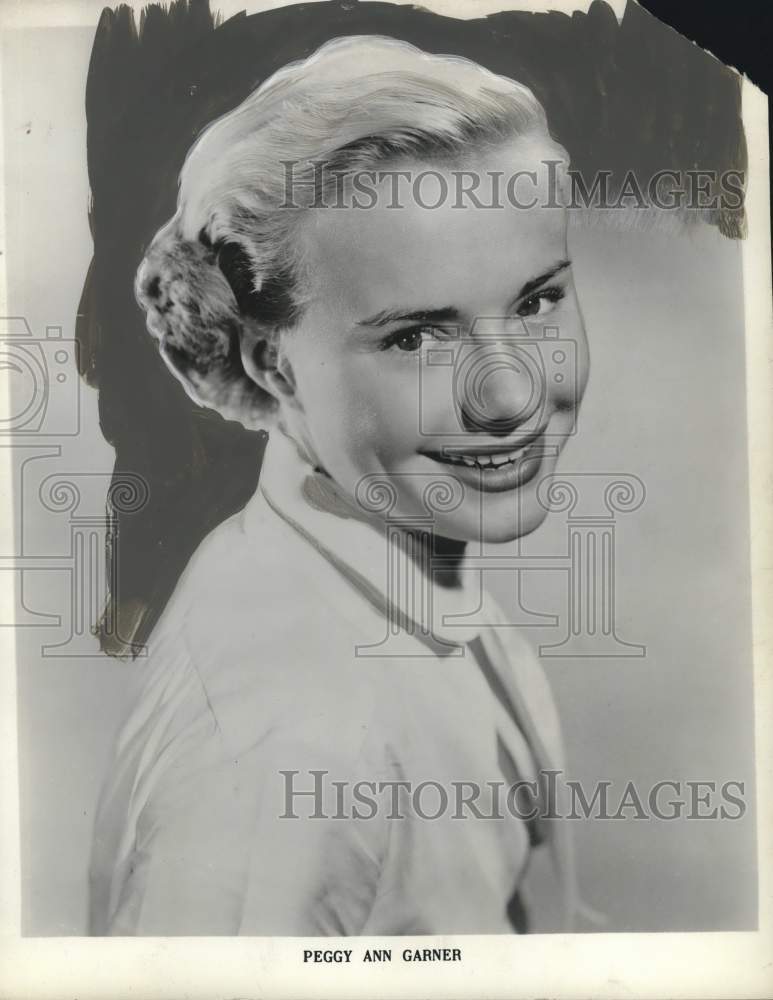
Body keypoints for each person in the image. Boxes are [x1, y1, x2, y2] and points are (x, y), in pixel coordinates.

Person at [88, 34, 589, 936]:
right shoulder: (285, 736)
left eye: (536, 301)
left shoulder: (393, 573)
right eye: (416, 338)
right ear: (272, 365)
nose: (513, 392)